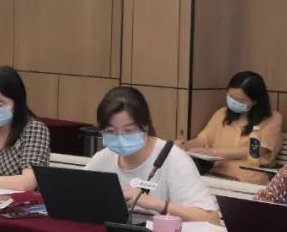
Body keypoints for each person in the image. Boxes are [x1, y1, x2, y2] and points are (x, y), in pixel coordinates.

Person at [86, 87, 219, 223]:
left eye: (129, 130)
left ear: (145, 126)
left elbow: (211, 220)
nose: (120, 138)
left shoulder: (174, 159)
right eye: (110, 131)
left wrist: (155, 204)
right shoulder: (102, 159)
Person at [179, 71, 282, 184]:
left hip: (248, 172)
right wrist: (185, 145)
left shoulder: (273, 118)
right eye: (231, 97)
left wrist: (213, 152)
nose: (233, 102)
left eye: (240, 100)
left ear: (256, 100)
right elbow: (203, 140)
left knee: (252, 176)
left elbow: (259, 150)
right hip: (216, 168)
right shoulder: (221, 113)